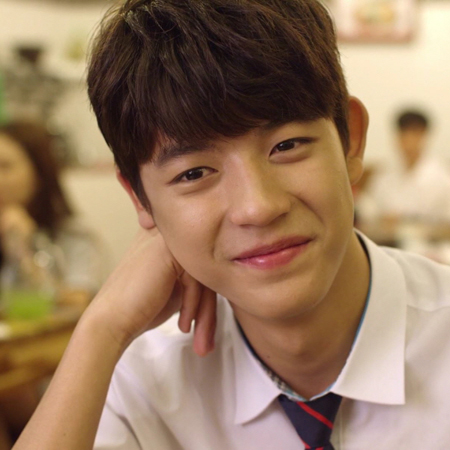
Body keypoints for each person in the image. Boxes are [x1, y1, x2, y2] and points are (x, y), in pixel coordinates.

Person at [11, 1, 450, 449]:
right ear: (141, 200)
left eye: (287, 145)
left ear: (350, 140)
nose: (258, 207)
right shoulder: (140, 379)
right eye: (194, 173)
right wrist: (102, 329)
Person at [0, 120, 105, 448]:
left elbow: (74, 303)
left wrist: (25, 249)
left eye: (5, 166)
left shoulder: (72, 237)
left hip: (57, 382)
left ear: (38, 172)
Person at [358, 110, 450, 243]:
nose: (409, 139)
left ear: (424, 136)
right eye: (404, 133)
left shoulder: (441, 177)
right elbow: (370, 209)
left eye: (415, 133)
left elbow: (446, 223)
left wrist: (409, 223)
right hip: (389, 243)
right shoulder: (385, 173)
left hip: (429, 245)